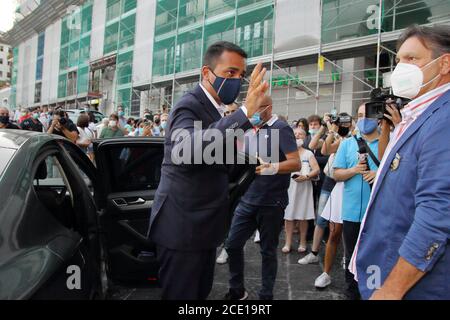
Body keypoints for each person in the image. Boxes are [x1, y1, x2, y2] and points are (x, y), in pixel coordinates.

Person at [147, 41, 269, 300]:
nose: (237, 80)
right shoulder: (189, 105)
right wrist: (246, 112)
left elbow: (213, 157)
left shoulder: (217, 111)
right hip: (182, 228)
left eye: (241, 75)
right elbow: (189, 150)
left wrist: (250, 162)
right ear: (206, 73)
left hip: (203, 228)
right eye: (230, 73)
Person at [351, 24, 450, 300]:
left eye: (412, 59)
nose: (400, 68)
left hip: (414, 287)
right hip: (386, 269)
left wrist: (392, 290)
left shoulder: (444, 119)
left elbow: (437, 214)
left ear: (444, 64)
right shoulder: (421, 113)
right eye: (398, 61)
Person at [224, 96, 300, 300]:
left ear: (269, 108)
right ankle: (236, 289)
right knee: (232, 244)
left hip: (271, 202)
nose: (253, 114)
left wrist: (272, 167)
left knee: (267, 251)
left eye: (257, 109)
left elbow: (296, 163)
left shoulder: (281, 128)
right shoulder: (249, 130)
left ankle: (266, 295)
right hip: (247, 199)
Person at [333, 103, 380, 300]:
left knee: (375, 253)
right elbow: (336, 174)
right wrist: (354, 170)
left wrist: (377, 174)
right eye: (359, 115)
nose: (362, 119)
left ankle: (372, 291)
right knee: (350, 253)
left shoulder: (389, 141)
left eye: (366, 115)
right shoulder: (348, 144)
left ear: (378, 118)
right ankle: (352, 291)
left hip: (377, 212)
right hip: (351, 211)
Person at [282, 128, 319, 254]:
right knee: (288, 216)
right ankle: (288, 242)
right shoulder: (285, 152)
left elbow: (316, 169)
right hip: (289, 187)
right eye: (295, 134)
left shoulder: (308, 154)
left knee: (303, 216)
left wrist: (307, 176)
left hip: (304, 187)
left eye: (300, 134)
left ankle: (303, 242)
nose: (297, 136)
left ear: (305, 137)